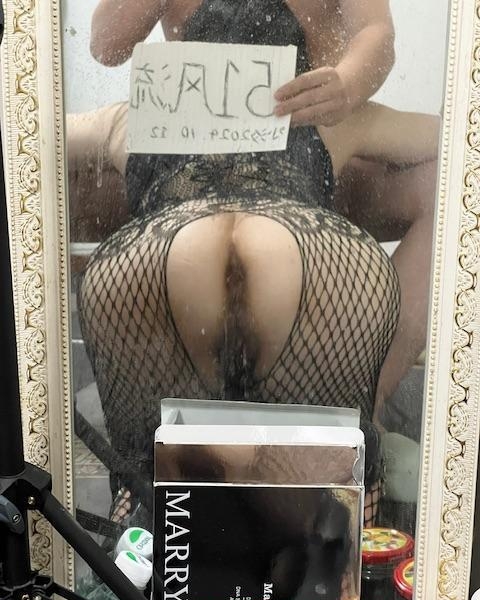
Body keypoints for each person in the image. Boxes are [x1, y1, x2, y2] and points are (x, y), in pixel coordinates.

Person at [76, 0, 439, 530]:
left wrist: (347, 86)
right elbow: (453, 139)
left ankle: (142, 499)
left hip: (173, 242)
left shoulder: (127, 121)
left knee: (146, 489)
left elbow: (39, 137)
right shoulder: (340, 124)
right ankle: (363, 420)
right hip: (299, 234)